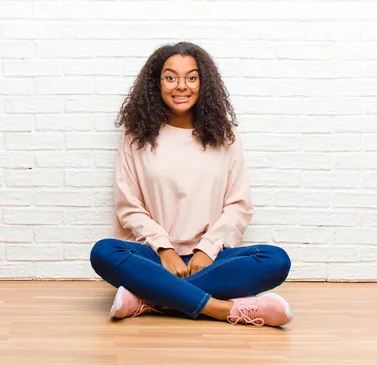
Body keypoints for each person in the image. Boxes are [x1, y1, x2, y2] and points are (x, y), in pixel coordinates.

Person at [89, 42, 293, 327]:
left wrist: (207, 249)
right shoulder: (137, 137)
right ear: (156, 84)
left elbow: (238, 205)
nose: (181, 86)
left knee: (275, 259)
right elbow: (128, 205)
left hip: (211, 259)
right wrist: (165, 250)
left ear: (203, 83)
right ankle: (223, 310)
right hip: (153, 257)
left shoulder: (225, 136)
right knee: (104, 252)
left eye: (191, 77)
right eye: (170, 77)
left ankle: (150, 299)